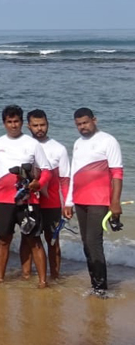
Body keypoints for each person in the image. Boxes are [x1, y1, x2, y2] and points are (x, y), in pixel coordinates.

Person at [0, 105, 52, 288]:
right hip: (3, 200)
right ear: (4, 123)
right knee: (3, 240)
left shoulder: (32, 144)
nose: (13, 125)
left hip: (28, 200)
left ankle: (43, 282)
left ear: (22, 123)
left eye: (16, 121)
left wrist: (38, 183)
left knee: (34, 240)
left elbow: (46, 171)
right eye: (9, 122)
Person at [63, 108, 124, 296]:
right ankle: (95, 283)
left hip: (99, 200)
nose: (83, 127)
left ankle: (101, 288)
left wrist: (115, 202)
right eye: (79, 124)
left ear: (94, 120)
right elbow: (74, 174)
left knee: (93, 241)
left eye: (86, 122)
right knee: (86, 243)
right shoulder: (78, 143)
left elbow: (117, 174)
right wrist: (69, 202)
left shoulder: (108, 140)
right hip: (80, 200)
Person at [21, 109, 69, 280]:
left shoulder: (59, 149)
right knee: (27, 238)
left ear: (48, 124)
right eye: (35, 125)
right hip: (30, 202)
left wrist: (67, 204)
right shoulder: (23, 145)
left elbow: (64, 179)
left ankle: (55, 276)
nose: (39, 128)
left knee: (52, 240)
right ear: (28, 126)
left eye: (43, 125)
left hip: (52, 202)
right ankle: (26, 276)